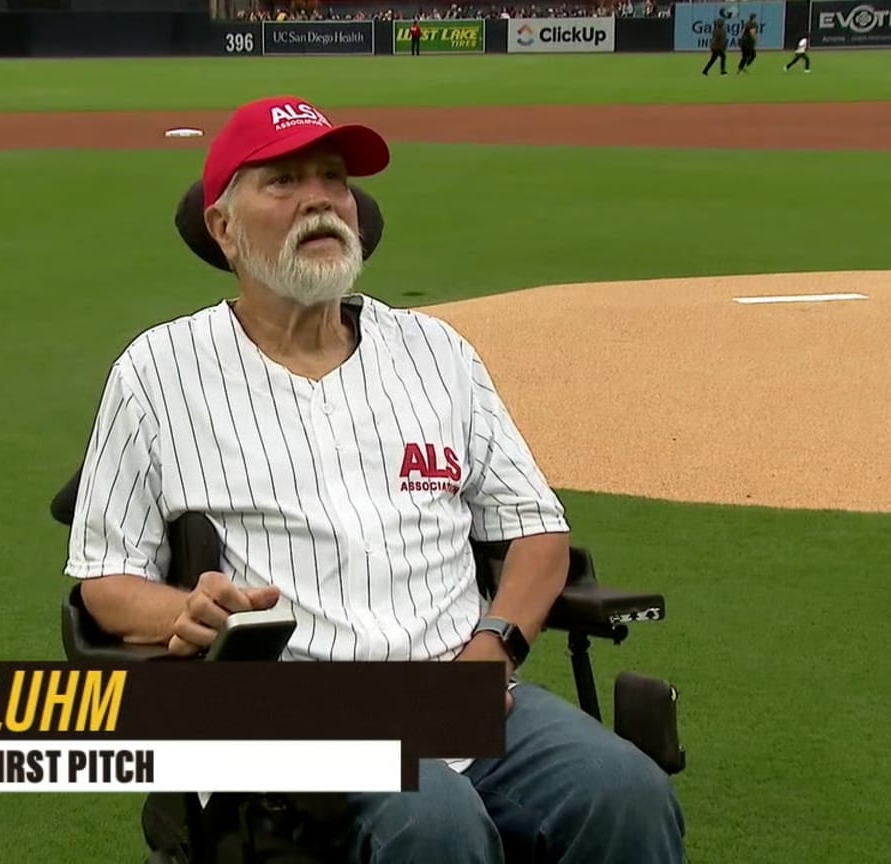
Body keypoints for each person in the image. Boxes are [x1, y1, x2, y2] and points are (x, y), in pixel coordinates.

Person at [64, 94, 688, 864]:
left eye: (332, 177)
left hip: (463, 689)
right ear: (223, 227)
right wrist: (182, 610)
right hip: (295, 711)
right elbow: (103, 583)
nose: (321, 197)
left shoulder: (435, 353)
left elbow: (535, 528)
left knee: (626, 795)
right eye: (284, 182)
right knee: (436, 825)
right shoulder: (157, 373)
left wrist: (494, 646)